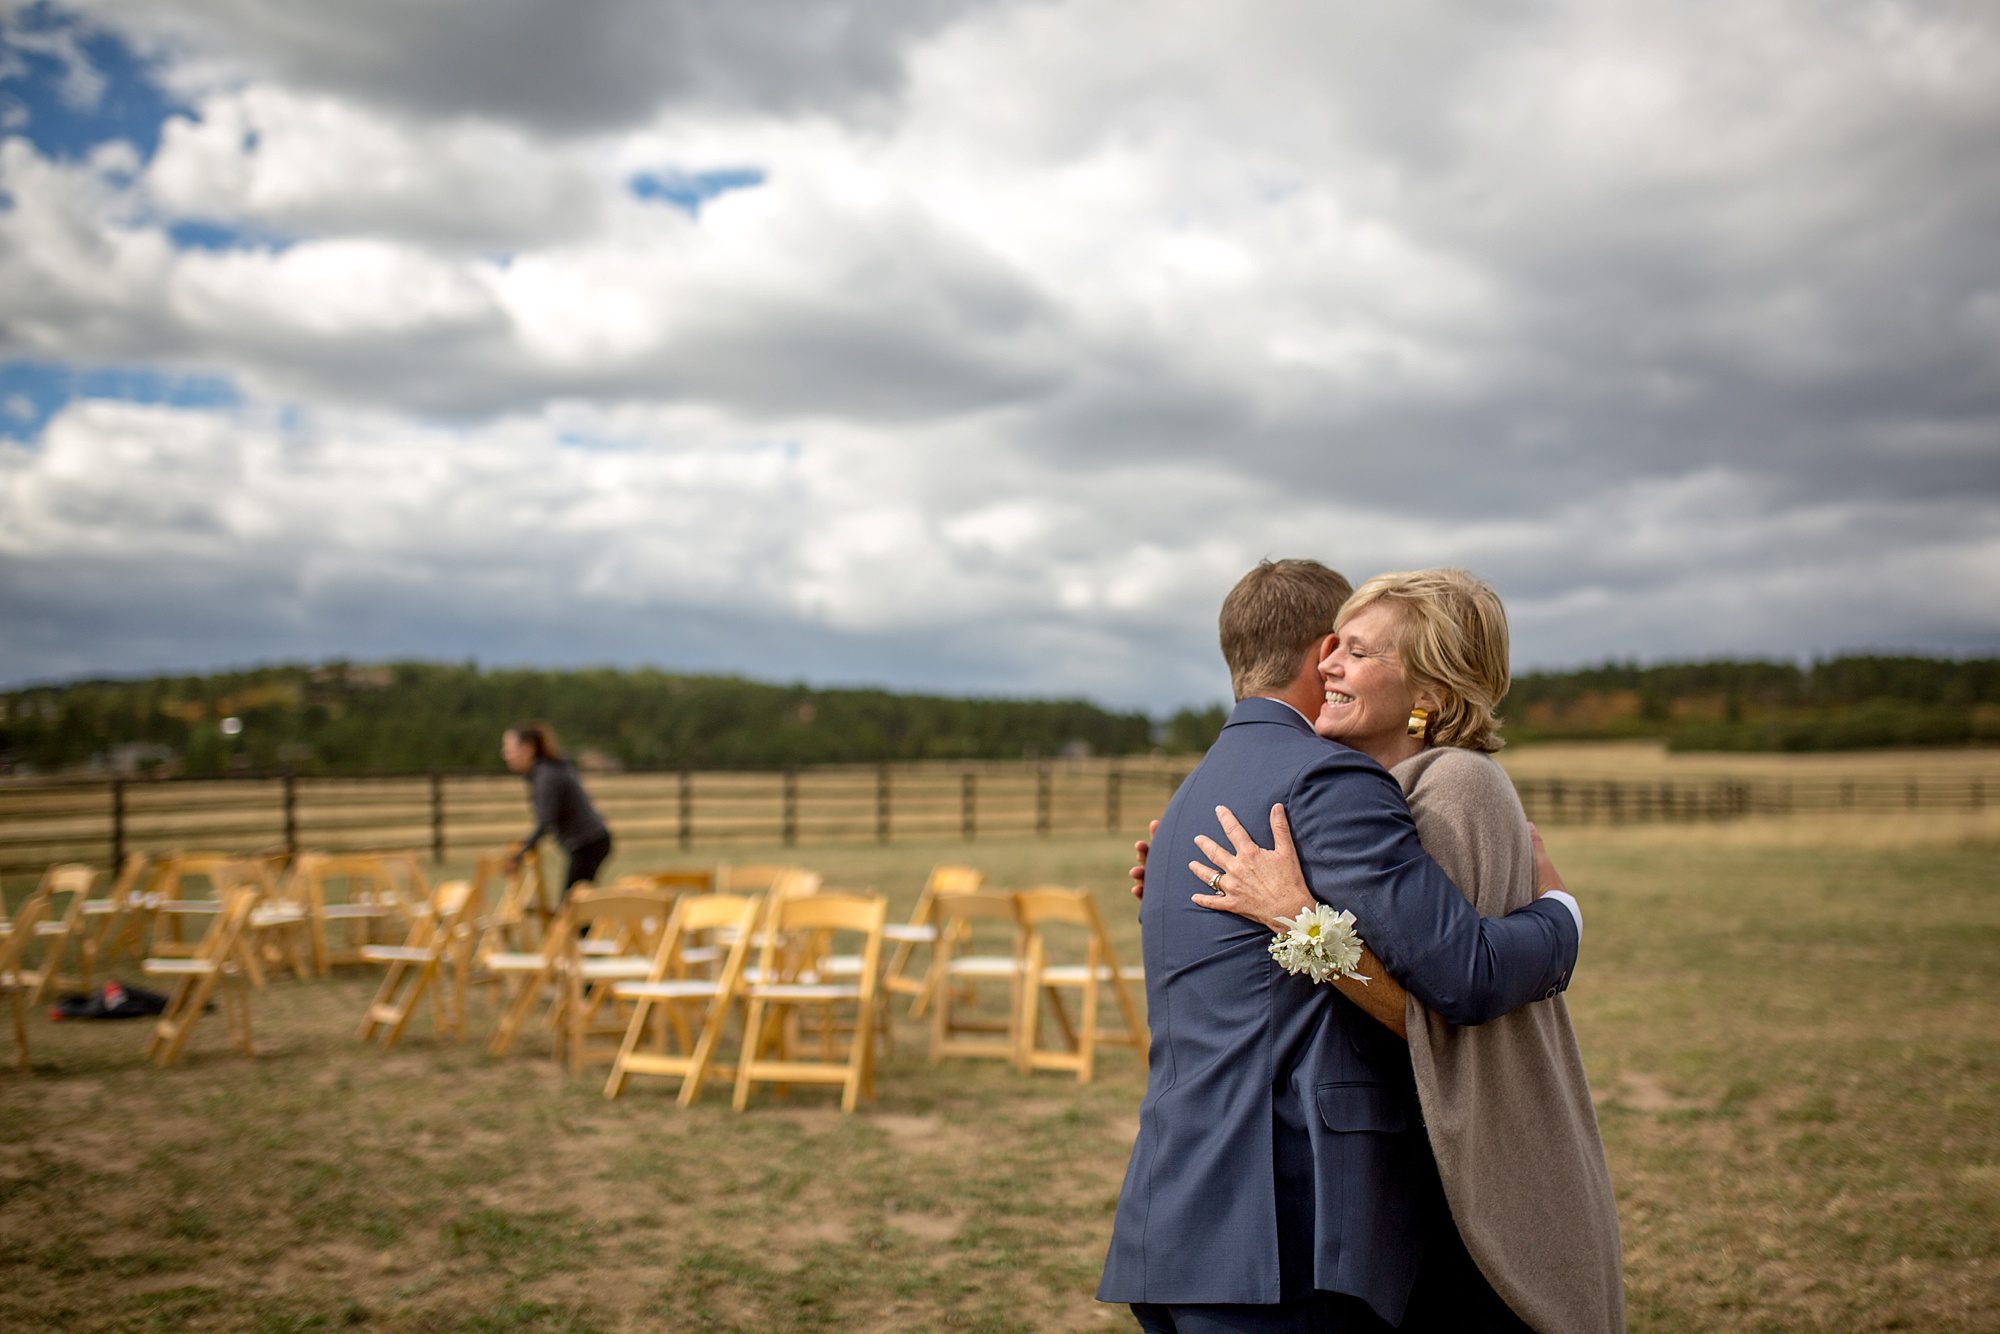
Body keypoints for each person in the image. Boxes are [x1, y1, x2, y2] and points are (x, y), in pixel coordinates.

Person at [1097, 559, 1582, 1332]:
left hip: (1175, 1212)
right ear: (1317, 648)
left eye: (1360, 651)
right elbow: (1462, 979)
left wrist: (1298, 921)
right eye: (1338, 647)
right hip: (1282, 1227)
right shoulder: (1329, 782)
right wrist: (1561, 916)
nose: (1336, 665)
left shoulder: (1196, 792)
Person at [501, 722, 612, 897]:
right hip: (590, 841)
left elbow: (545, 822)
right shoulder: (545, 771)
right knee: (575, 902)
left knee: (572, 906)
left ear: (528, 748)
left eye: (509, 748)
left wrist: (520, 854)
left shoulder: (546, 776)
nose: (505, 755)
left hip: (588, 843)